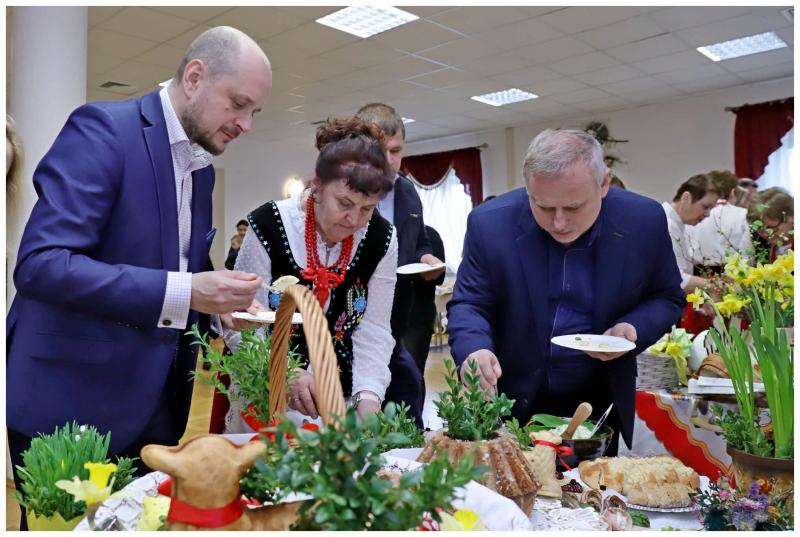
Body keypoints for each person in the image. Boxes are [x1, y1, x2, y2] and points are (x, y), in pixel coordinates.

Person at [7, 25, 272, 502]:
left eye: (254, 112)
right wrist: (189, 292)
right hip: (72, 402)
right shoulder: (104, 130)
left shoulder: (202, 172)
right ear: (194, 77)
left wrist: (221, 305)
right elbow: (41, 264)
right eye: (238, 103)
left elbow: (183, 269)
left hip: (157, 410)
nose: (246, 123)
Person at [447, 128, 684, 455]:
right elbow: (470, 303)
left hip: (599, 399)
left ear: (604, 184)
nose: (558, 223)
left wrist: (632, 328)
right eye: (543, 206)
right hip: (513, 395)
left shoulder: (643, 220)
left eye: (573, 208)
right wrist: (474, 348)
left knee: (592, 485)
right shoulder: (489, 224)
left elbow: (667, 296)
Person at [222, 117, 397, 429]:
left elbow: (374, 330)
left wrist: (368, 397)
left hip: (340, 401)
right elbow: (242, 322)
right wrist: (284, 370)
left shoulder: (382, 237)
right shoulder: (267, 225)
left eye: (367, 208)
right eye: (344, 203)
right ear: (317, 185)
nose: (354, 220)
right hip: (267, 398)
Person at [355, 102, 444, 428]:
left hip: (403, 315)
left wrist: (426, 259)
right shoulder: (345, 194)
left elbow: (419, 241)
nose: (390, 160)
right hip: (358, 318)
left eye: (396, 151)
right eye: (382, 151)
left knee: (407, 390)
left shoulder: (407, 192)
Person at [662, 173, 720, 292]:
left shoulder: (678, 224)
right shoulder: (666, 224)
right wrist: (718, 285)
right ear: (686, 198)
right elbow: (675, 279)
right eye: (705, 207)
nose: (708, 214)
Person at [403, 225, 446, 379]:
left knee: (413, 371)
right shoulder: (394, 234)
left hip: (418, 316)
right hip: (391, 315)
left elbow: (440, 277)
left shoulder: (431, 235)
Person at [746, 187, 794, 262]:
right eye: (759, 229)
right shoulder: (761, 243)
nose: (765, 234)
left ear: (792, 217)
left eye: (771, 228)